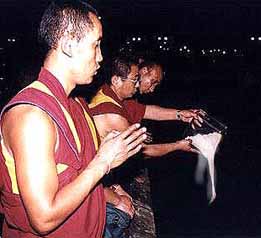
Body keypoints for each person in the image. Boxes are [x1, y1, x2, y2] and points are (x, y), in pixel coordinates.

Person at [0, 1, 146, 237]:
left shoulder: (76, 103)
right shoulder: (32, 117)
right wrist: (104, 161)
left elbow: (78, 178)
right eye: (95, 45)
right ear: (68, 44)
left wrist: (112, 195)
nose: (100, 57)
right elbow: (43, 218)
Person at [89, 57, 202, 238]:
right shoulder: (112, 114)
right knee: (125, 214)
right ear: (117, 80)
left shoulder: (112, 94)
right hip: (95, 182)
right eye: (135, 79)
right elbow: (144, 151)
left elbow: (147, 110)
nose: (137, 84)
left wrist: (180, 114)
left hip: (103, 178)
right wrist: (178, 145)